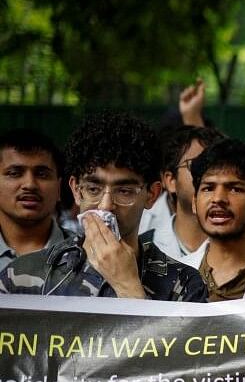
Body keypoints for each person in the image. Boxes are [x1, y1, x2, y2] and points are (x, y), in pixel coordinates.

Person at [0, 112, 206, 301]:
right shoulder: (22, 276)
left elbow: (173, 344)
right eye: (93, 189)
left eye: (124, 191)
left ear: (151, 194)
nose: (106, 206)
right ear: (76, 190)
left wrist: (128, 287)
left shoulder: (183, 283)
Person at [181, 139, 245, 301]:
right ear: (194, 202)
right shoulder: (174, 276)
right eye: (208, 188)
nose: (218, 198)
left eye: (235, 189)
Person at [141, 125, 226, 260]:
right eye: (197, 164)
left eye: (219, 167)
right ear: (170, 181)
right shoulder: (142, 251)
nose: (210, 175)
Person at [0, 129, 66, 271]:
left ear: (59, 189)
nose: (30, 184)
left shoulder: (90, 254)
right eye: (14, 173)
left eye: (42, 174)